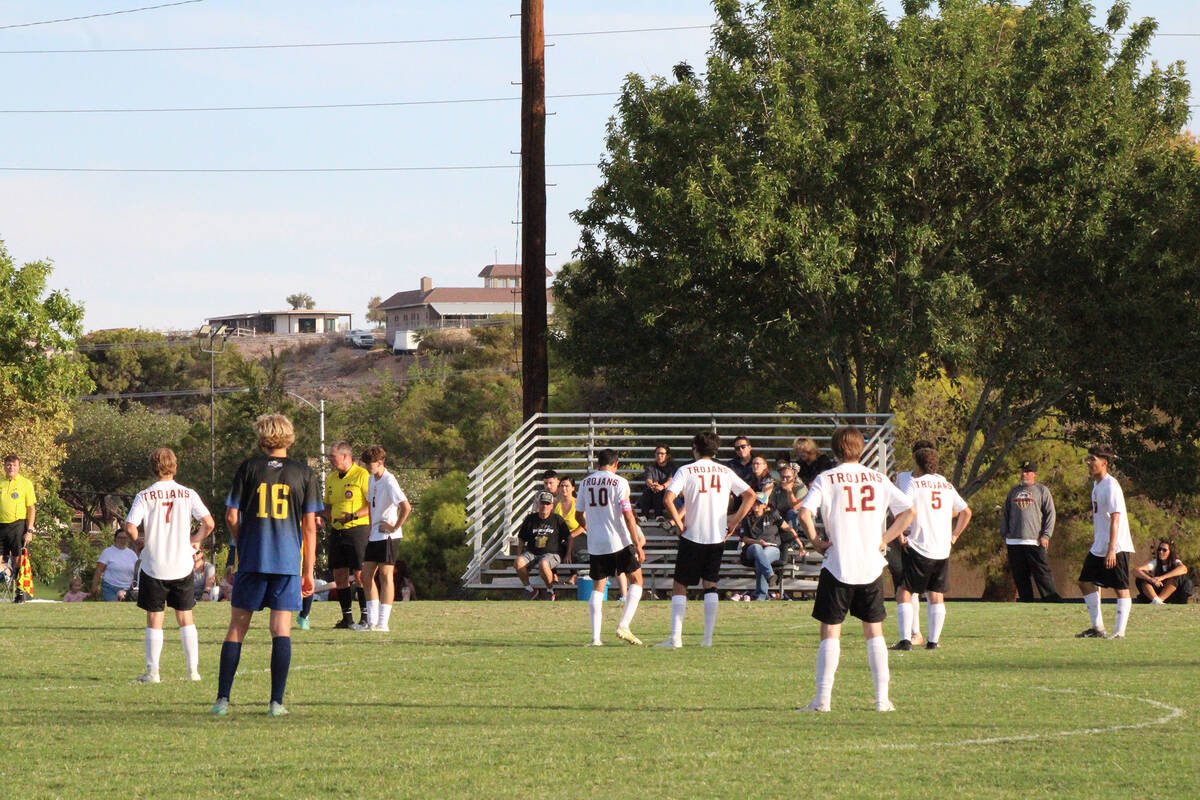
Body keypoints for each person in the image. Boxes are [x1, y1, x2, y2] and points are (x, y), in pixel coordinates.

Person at [797, 426, 915, 713]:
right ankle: (881, 700)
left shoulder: (826, 478)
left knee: (830, 632)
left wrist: (815, 541)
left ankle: (822, 700)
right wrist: (884, 540)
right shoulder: (878, 478)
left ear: (836, 448)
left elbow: (803, 512)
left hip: (838, 563)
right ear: (861, 448)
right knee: (874, 632)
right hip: (871, 566)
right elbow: (909, 511)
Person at [212, 413, 319, 717]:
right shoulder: (304, 473)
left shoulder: (248, 468)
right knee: (280, 630)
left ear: (262, 436)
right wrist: (308, 570)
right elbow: (310, 528)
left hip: (253, 558)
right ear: (290, 436)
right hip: (286, 562)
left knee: (237, 628)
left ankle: (222, 699)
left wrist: (242, 543)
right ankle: (276, 703)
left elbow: (232, 517)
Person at [124, 447, 216, 683]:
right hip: (182, 564)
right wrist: (194, 542)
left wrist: (139, 544)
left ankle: (153, 672)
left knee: (155, 618)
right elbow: (208, 523)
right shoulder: (188, 494)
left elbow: (130, 527)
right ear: (174, 465)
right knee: (185, 617)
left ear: (153, 467)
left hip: (154, 564)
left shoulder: (145, 495)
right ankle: (193, 671)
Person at [657, 432, 756, 648]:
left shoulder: (686, 470)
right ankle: (707, 639)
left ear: (695, 448)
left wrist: (679, 523)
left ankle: (675, 638)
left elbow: (668, 498)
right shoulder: (725, 471)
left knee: (680, 584)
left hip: (693, 534)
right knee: (710, 584)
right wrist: (735, 521)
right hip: (716, 536)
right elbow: (751, 495)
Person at [891, 445, 972, 651]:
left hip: (919, 545)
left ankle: (905, 640)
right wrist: (954, 535)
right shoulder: (945, 484)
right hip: (942, 548)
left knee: (904, 591)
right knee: (936, 594)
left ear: (917, 464)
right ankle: (933, 642)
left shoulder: (914, 483)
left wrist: (899, 533)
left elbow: (905, 510)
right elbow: (966, 512)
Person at [575, 449, 646, 646]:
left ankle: (595, 638)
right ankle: (623, 625)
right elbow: (628, 515)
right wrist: (638, 544)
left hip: (596, 543)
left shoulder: (585, 482)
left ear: (598, 463)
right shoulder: (620, 482)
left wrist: (588, 526)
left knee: (598, 587)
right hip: (618, 541)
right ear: (616, 464)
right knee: (637, 580)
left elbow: (578, 514)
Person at [1076, 444, 1135, 640]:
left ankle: (1119, 632)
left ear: (1104, 463)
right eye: (1088, 458)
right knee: (1084, 582)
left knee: (1121, 588)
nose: (1089, 462)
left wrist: (1111, 550)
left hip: (1116, 546)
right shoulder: (1096, 485)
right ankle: (1098, 628)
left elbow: (1116, 519)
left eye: (1092, 459)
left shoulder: (1111, 486)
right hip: (1099, 546)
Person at [889, 439, 936, 647]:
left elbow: (953, 509)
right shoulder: (904, 477)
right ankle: (916, 632)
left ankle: (923, 636)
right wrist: (899, 532)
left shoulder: (938, 481)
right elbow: (896, 507)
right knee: (907, 587)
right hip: (907, 536)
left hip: (925, 538)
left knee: (928, 589)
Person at [361, 445, 412, 631]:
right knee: (366, 576)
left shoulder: (390, 481)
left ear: (380, 463)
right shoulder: (371, 479)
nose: (367, 467)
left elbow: (406, 507)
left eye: (370, 463)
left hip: (388, 536)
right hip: (374, 534)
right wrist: (368, 530)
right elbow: (371, 506)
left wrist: (395, 526)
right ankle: (372, 621)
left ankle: (383, 623)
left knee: (385, 575)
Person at [323, 441, 370, 630]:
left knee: (360, 574)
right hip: (337, 531)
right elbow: (327, 505)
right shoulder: (332, 478)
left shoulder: (362, 475)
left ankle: (366, 617)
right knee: (339, 574)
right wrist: (323, 517)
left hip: (357, 530)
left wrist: (352, 516)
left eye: (331, 456)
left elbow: (370, 504)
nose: (329, 460)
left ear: (344, 456)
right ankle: (347, 618)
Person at [1001, 460, 1061, 602]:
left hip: (1034, 540)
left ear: (1034, 474)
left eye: (1027, 471)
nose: (1024, 474)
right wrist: (1005, 534)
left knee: (1042, 573)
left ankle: (1052, 600)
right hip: (1014, 541)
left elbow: (1050, 514)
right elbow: (1005, 513)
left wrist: (1046, 535)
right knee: (1020, 575)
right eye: (1022, 471)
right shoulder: (1013, 491)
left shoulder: (1041, 490)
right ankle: (1027, 601)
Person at [739, 491, 804, 601]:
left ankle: (761, 595)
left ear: (764, 505)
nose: (756, 505)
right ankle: (770, 575)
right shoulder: (747, 518)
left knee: (762, 558)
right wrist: (759, 542)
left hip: (772, 548)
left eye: (759, 503)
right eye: (754, 502)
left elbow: (788, 528)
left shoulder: (772, 515)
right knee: (757, 549)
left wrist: (800, 544)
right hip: (752, 548)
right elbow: (744, 538)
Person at [514, 491, 572, 601]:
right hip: (532, 552)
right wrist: (519, 554)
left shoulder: (557, 519)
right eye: (542, 503)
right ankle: (530, 589)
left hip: (552, 553)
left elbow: (569, 537)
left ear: (552, 506)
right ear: (538, 504)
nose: (544, 506)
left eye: (547, 504)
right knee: (518, 562)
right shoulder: (530, 519)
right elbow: (521, 538)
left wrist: (568, 554)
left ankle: (550, 591)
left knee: (543, 564)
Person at [0, 455, 36, 602]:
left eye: (14, 465)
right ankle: (7, 574)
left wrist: (30, 530)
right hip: (0, 526)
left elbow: (31, 509)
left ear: (18, 467)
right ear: (4, 467)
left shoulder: (25, 483)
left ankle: (19, 593)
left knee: (18, 560)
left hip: (17, 526)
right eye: (8, 465)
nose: (11, 468)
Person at [1133, 539, 1191, 605]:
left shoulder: (1176, 562)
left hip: (1172, 594)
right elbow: (1136, 570)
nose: (1161, 552)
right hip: (1157, 591)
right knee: (1141, 576)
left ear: (1170, 552)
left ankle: (1159, 601)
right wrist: (1151, 579)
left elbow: (1183, 569)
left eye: (1164, 550)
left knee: (1178, 576)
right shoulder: (1155, 563)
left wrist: (1162, 577)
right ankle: (1156, 600)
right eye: (1159, 549)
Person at [92, 530, 139, 601]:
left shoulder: (132, 554)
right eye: (120, 537)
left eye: (125, 538)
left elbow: (137, 572)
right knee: (113, 608)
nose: (122, 540)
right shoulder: (107, 552)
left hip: (127, 588)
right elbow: (99, 570)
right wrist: (94, 586)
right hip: (110, 587)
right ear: (115, 539)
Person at [638, 445, 676, 518]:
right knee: (649, 491)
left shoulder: (672, 468)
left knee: (659, 491)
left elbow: (670, 480)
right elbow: (648, 480)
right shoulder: (650, 468)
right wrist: (652, 485)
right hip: (652, 497)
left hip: (666, 497)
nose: (659, 456)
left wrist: (662, 487)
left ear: (667, 456)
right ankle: (644, 516)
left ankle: (658, 516)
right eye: (657, 453)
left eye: (662, 454)